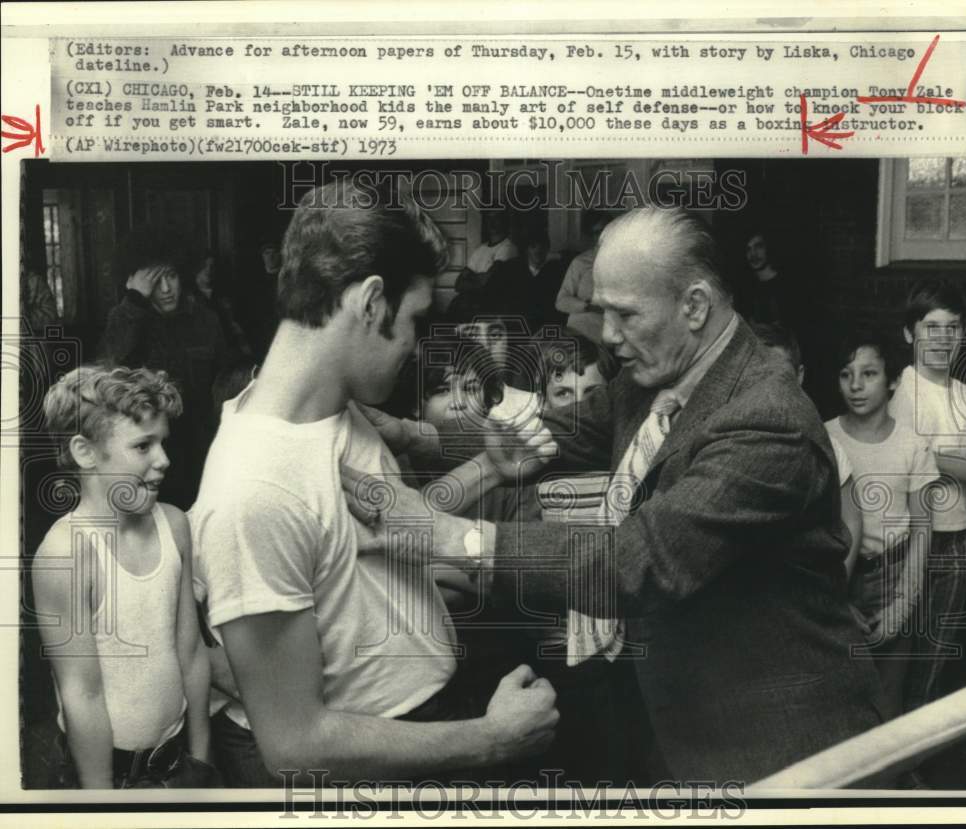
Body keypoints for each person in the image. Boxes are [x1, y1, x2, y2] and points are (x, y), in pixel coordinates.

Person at [350, 206, 891, 785]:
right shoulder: (658, 373)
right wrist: (419, 436)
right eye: (602, 311)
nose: (607, 335)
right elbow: (566, 430)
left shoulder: (767, 419)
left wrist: (450, 534)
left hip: (770, 744)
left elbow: (636, 562)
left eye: (625, 314)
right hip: (674, 720)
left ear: (695, 306)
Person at [188, 181, 557, 787]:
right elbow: (295, 742)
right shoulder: (251, 491)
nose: (415, 345)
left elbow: (371, 531)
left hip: (424, 716)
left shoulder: (330, 407)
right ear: (370, 302)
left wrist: (488, 468)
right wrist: (491, 740)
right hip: (371, 765)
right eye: (413, 320)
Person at [32, 366, 216, 788]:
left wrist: (202, 762)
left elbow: (189, 650)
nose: (164, 459)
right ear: (85, 452)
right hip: (108, 777)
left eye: (162, 442)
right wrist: (103, 805)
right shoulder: (66, 552)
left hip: (176, 764)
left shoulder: (174, 525)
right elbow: (83, 696)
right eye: (142, 446)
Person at [888, 281, 966, 713]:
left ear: (963, 333)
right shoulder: (895, 394)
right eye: (932, 327)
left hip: (955, 545)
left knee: (930, 669)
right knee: (891, 660)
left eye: (952, 327)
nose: (942, 338)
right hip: (901, 545)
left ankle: (909, 770)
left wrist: (928, 452)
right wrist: (955, 458)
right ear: (910, 334)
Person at [824, 331, 938, 719]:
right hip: (839, 575)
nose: (855, 386)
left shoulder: (912, 445)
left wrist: (902, 606)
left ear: (892, 380)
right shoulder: (823, 437)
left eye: (869, 374)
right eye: (845, 374)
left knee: (889, 701)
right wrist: (835, 597)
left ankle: (891, 778)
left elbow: (923, 530)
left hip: (894, 576)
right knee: (838, 698)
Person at [98, 226, 233, 510]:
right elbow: (109, 374)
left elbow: (226, 384)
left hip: (203, 450)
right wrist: (134, 301)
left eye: (170, 276)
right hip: (149, 457)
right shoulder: (125, 319)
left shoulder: (206, 319)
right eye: (155, 280)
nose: (166, 289)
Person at [752, 322, 862, 578]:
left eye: (781, 378)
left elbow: (852, 519)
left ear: (799, 375)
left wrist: (839, 582)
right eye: (757, 378)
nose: (769, 390)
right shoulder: (729, 443)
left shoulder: (825, 444)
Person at [555, 211, 612, 343]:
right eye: (597, 232)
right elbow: (561, 302)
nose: (602, 236)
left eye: (606, 230)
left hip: (610, 332)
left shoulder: (624, 263)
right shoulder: (581, 262)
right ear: (592, 236)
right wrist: (589, 307)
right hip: (581, 331)